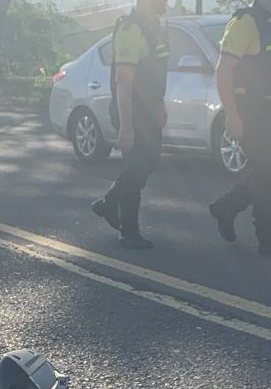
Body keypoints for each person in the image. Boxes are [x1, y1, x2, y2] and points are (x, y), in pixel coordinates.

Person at [207, 0, 271, 258]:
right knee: (267, 172)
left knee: (269, 170)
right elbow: (223, 72)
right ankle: (268, 237)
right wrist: (232, 115)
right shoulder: (244, 22)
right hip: (251, 109)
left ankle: (227, 207)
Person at [90, 0, 168, 250]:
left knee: (150, 162)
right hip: (132, 112)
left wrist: (159, 104)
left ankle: (108, 203)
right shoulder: (130, 29)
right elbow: (124, 82)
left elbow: (155, 75)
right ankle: (129, 232)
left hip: (149, 110)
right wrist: (126, 127)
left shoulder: (154, 26)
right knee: (136, 169)